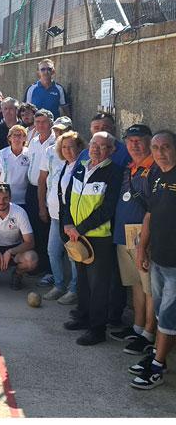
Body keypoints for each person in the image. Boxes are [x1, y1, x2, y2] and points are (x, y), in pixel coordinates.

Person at [62, 131, 123, 346]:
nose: (96, 148)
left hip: (98, 237)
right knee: (83, 281)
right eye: (94, 143)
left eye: (103, 145)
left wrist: (81, 228)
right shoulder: (81, 166)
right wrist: (68, 224)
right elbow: (68, 196)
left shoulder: (114, 172)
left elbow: (107, 209)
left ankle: (97, 329)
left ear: (111, 150)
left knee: (99, 285)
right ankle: (84, 316)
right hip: (76, 234)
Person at [130, 130, 176, 389]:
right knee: (162, 314)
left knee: (169, 317)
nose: (159, 152)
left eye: (165, 147)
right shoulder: (157, 176)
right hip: (158, 258)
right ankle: (160, 358)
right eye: (156, 147)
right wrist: (141, 249)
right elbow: (150, 215)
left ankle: (157, 367)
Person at [108, 124, 159, 355]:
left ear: (150, 142)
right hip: (124, 233)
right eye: (130, 141)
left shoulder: (156, 170)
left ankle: (149, 332)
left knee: (149, 287)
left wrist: (146, 243)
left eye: (139, 140)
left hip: (143, 237)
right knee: (135, 284)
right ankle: (138, 326)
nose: (134, 145)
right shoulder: (130, 168)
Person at [38, 127, 81, 306]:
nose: (67, 151)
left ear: (79, 147)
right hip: (57, 216)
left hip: (71, 220)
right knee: (53, 251)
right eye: (64, 147)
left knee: (73, 255)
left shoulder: (81, 166)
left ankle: (74, 290)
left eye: (71, 147)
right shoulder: (64, 165)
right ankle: (59, 285)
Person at [25, 109, 57, 284]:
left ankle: (49, 271)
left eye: (44, 122)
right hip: (32, 190)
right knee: (34, 230)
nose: (40, 126)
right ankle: (36, 265)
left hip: (47, 192)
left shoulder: (56, 142)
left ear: (51, 123)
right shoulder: (34, 141)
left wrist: (42, 205)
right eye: (37, 122)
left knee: (46, 232)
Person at [0, 125, 30, 207]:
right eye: (14, 135)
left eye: (20, 135)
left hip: (24, 200)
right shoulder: (1, 154)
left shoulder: (29, 154)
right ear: (9, 138)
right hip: (4, 201)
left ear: (24, 138)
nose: (17, 138)